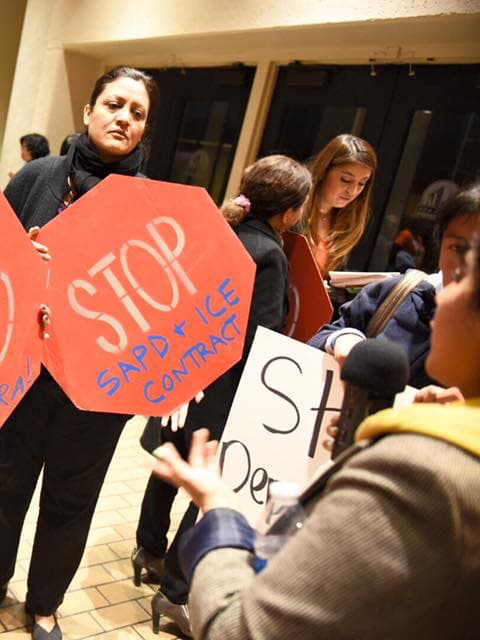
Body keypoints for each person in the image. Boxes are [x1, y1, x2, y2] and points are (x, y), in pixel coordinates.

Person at [148, 238, 480, 640]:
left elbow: (241, 629)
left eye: (463, 280)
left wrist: (219, 508)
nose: (444, 295)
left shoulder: (421, 471)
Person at [0, 67, 157, 640]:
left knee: (73, 496)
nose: (123, 118)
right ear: (89, 110)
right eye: (115, 104)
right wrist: (23, 260)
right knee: (8, 479)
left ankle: (44, 603)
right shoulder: (39, 176)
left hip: (102, 384)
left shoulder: (152, 204)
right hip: (27, 371)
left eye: (137, 113)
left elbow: (164, 300)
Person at [137, 156, 313, 637]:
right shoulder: (270, 254)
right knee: (207, 489)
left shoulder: (218, 230)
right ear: (289, 212)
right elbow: (260, 335)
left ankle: (147, 549)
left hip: (184, 376)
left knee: (170, 466)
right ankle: (173, 592)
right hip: (223, 390)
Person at [309, 184, 480, 387]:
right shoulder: (400, 292)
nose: (465, 263)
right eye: (457, 247)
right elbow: (319, 340)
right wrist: (343, 340)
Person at [299, 134, 377, 276]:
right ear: (324, 170)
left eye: (362, 183)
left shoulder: (348, 223)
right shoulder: (294, 211)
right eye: (346, 180)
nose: (352, 191)